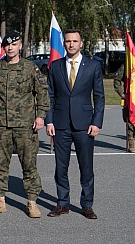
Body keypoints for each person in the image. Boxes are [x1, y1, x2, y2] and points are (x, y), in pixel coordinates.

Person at [0, 31, 49, 218]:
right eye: (7, 45)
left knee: (29, 165)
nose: (10, 48)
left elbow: (42, 93)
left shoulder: (30, 68)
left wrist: (40, 116)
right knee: (0, 165)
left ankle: (32, 202)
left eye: (14, 44)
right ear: (4, 47)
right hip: (1, 126)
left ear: (20, 47)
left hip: (26, 126)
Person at [46, 29, 104, 219]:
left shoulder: (93, 66)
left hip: (85, 125)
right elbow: (50, 97)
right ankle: (62, 203)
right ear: (64, 43)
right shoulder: (54, 66)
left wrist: (97, 123)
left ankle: (87, 204)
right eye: (68, 41)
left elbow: (99, 97)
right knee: (60, 167)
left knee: (86, 167)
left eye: (75, 41)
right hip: (61, 125)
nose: (71, 44)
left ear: (81, 43)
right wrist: (49, 121)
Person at [113, 47, 135, 152]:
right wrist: (122, 94)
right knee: (130, 121)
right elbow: (117, 80)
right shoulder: (127, 66)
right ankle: (132, 144)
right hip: (131, 100)